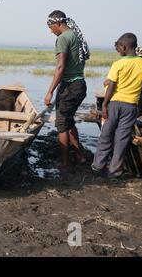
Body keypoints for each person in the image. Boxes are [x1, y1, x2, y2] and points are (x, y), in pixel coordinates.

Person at [92, 34, 142, 179]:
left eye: (117, 46)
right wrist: (136, 85)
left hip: (114, 104)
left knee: (106, 134)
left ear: (123, 47)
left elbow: (111, 86)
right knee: (122, 138)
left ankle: (98, 165)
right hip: (131, 106)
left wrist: (104, 105)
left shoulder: (118, 64)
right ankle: (114, 171)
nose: (117, 49)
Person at [45, 10, 89, 171]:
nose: (51, 31)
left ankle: (65, 162)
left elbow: (60, 67)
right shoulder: (75, 35)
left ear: (57, 24)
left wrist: (50, 91)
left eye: (51, 27)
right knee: (68, 121)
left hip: (70, 86)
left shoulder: (63, 38)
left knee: (62, 123)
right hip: (80, 84)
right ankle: (80, 155)